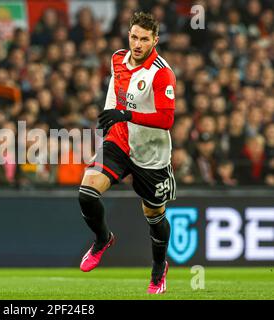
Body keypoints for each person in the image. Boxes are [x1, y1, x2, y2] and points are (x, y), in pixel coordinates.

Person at [78, 12, 176, 294]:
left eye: (144, 39)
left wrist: (125, 114)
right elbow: (115, 88)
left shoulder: (161, 73)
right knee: (87, 191)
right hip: (120, 142)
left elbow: (166, 120)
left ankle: (159, 269)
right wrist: (112, 118)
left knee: (154, 215)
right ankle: (102, 239)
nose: (137, 44)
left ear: (155, 40)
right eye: (134, 36)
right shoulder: (117, 58)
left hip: (151, 154)